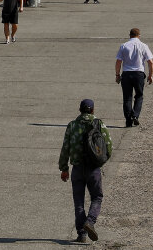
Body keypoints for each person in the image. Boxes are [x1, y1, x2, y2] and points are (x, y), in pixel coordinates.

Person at [58, 99, 112, 243]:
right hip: (93, 168)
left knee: (79, 202)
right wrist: (101, 161)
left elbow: (65, 148)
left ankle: (81, 234)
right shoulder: (99, 124)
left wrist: (64, 168)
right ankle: (90, 221)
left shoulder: (72, 125)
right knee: (97, 197)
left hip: (77, 168)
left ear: (80, 109)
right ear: (93, 110)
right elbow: (108, 145)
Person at [115, 28, 153, 127]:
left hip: (126, 74)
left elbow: (118, 62)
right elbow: (150, 62)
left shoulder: (123, 46)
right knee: (139, 96)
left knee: (127, 98)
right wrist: (150, 75)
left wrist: (117, 75)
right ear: (139, 36)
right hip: (138, 74)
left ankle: (128, 120)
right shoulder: (143, 46)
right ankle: (135, 115)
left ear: (130, 35)